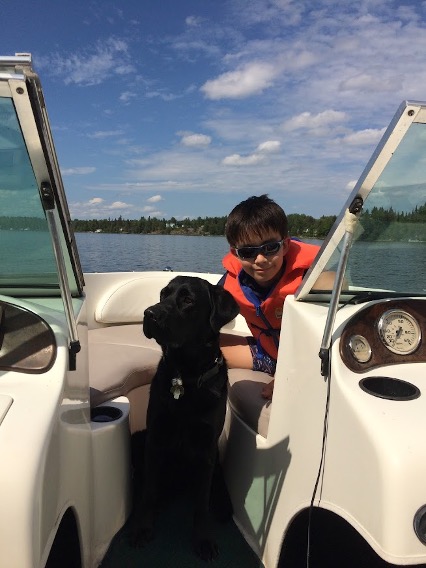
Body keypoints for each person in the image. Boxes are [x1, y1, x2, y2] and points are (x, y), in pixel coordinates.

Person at [219, 194, 326, 400]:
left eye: (270, 248)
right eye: (248, 252)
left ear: (285, 245)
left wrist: (287, 375)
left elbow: (327, 338)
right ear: (235, 253)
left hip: (306, 360)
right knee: (196, 347)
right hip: (265, 354)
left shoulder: (314, 277)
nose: (260, 259)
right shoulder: (231, 281)